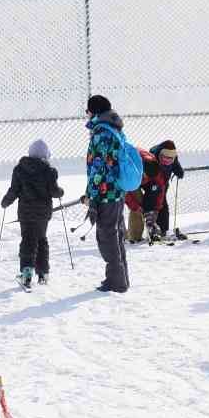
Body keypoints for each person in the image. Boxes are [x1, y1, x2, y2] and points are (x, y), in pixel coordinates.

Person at [80, 94, 129, 293]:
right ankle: (121, 278)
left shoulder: (101, 133)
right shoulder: (114, 129)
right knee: (115, 234)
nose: (86, 114)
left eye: (87, 111)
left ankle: (116, 281)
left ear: (94, 112)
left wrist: (90, 195)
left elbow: (97, 169)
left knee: (107, 236)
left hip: (105, 193)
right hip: (117, 190)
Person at [1, 138, 63, 290]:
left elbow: (14, 190)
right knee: (41, 239)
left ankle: (27, 272)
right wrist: (61, 192)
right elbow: (54, 191)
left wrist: (6, 201)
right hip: (43, 214)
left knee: (28, 240)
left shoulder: (20, 170)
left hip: (26, 213)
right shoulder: (49, 171)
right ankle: (43, 273)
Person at [147, 140, 185, 238]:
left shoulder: (173, 157)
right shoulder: (153, 156)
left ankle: (163, 230)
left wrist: (179, 172)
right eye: (165, 159)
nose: (168, 162)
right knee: (152, 204)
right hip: (152, 182)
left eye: (170, 159)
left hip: (164, 182)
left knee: (163, 203)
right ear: (160, 155)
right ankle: (153, 230)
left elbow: (176, 166)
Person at [125, 149, 161, 244]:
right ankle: (133, 237)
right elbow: (125, 193)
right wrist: (135, 207)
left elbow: (160, 188)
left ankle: (151, 229)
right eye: (144, 176)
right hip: (125, 180)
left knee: (148, 202)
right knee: (137, 204)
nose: (145, 178)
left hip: (137, 176)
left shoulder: (154, 167)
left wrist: (156, 209)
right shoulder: (129, 168)